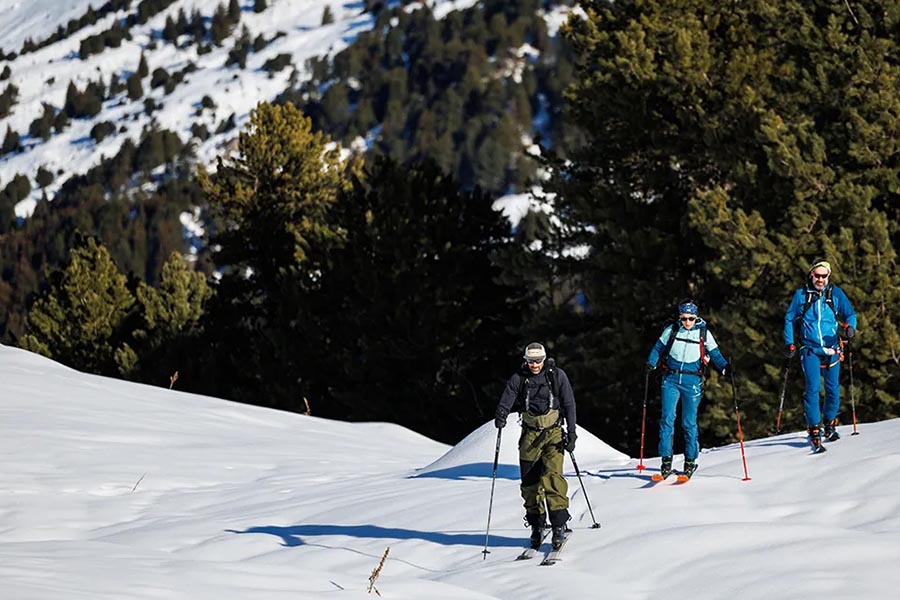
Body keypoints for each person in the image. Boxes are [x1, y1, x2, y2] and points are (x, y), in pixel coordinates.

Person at [494, 342, 576, 550]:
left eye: (538, 361)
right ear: (526, 360)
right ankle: (536, 525)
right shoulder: (519, 378)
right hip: (530, 435)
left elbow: (569, 403)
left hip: (554, 433)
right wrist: (501, 415)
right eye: (531, 361)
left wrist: (572, 433)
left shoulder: (557, 376)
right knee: (530, 484)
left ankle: (558, 525)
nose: (534, 365)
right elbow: (508, 397)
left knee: (552, 477)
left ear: (544, 359)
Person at [645, 300, 730, 480]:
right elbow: (658, 348)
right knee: (667, 418)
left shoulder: (703, 332)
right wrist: (651, 363)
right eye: (684, 318)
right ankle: (666, 461)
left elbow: (715, 354)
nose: (687, 322)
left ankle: (690, 460)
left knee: (688, 422)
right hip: (671, 379)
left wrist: (725, 367)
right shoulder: (672, 330)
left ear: (696, 317)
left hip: (692, 381)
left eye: (691, 318)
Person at [783, 258, 857, 451]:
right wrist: (790, 343)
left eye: (824, 276)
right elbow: (790, 318)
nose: (821, 279)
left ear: (828, 276)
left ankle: (830, 422)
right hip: (810, 349)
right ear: (811, 274)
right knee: (813, 387)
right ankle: (814, 427)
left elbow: (850, 314)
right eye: (817, 275)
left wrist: (850, 328)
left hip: (833, 349)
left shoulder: (835, 294)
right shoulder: (801, 295)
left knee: (833, 390)